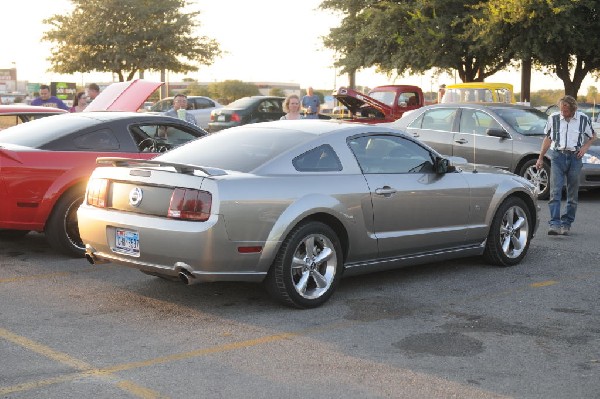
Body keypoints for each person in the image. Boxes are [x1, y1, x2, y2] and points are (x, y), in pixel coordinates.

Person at [535, 95, 597, 236]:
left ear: (573, 109)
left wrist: (585, 148)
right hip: (557, 157)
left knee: (572, 194)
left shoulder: (583, 119)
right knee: (555, 192)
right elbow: (548, 138)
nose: (563, 112)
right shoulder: (553, 118)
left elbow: (593, 135)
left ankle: (566, 223)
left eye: (566, 110)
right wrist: (540, 158)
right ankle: (554, 224)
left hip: (575, 157)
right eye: (561, 109)